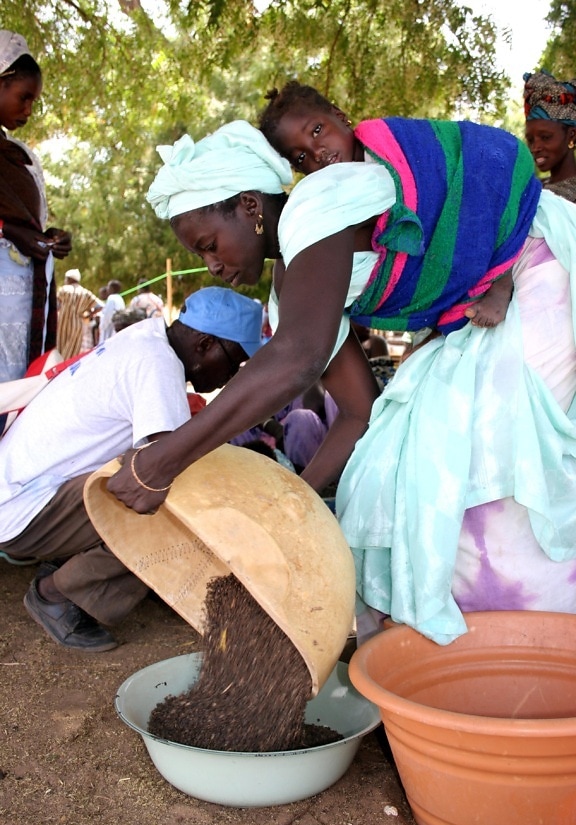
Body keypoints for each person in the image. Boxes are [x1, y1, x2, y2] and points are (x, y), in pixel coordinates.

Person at [104, 119, 576, 648]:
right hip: (475, 312)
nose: (212, 265)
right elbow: (358, 411)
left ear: (250, 207)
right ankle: (462, 652)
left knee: (490, 461)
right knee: (386, 474)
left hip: (535, 265)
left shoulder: (321, 203)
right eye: (200, 255)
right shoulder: (291, 293)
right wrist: (297, 505)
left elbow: (298, 358)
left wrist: (162, 463)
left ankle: (535, 644)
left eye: (210, 244)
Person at [0, 286, 264, 652]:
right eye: (234, 361)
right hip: (22, 511)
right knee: (165, 508)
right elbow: (163, 471)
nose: (232, 374)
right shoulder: (157, 364)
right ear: (204, 345)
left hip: (23, 491)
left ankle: (77, 567)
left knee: (145, 485)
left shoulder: (147, 337)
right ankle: (56, 594)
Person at [258, 81, 516, 329]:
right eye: (302, 156)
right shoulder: (338, 204)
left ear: (340, 116)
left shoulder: (391, 142)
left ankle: (502, 277)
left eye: (317, 131)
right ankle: (443, 316)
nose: (318, 152)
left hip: (477, 189)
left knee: (478, 180)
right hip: (441, 251)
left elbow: (438, 167)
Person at [0, 30, 72, 385]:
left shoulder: (22, 157)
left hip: (18, 303)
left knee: (15, 392)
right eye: (23, 97)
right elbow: (10, 225)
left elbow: (30, 223)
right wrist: (11, 233)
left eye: (34, 101)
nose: (29, 109)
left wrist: (49, 238)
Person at [523, 70, 576, 204]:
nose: (535, 148)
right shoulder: (532, 191)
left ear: (572, 136)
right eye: (530, 140)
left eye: (545, 137)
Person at [56, 268, 102, 358]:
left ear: (68, 279)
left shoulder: (63, 290)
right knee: (72, 352)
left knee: (60, 348)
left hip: (62, 324)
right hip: (77, 325)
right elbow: (99, 306)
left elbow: (56, 305)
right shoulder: (85, 293)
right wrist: (89, 315)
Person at [98, 279, 125, 344]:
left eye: (108, 287)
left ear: (112, 288)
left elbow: (108, 315)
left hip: (110, 328)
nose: (107, 289)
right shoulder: (119, 298)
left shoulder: (111, 298)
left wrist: (102, 326)